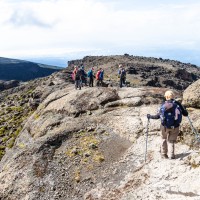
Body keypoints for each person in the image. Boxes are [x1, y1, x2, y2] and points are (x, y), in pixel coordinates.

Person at [147, 90, 188, 159]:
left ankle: (164, 154)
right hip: (175, 126)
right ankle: (171, 155)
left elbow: (157, 116)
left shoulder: (163, 104)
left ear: (166, 97)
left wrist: (149, 116)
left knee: (163, 139)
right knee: (171, 140)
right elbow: (185, 114)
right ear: (173, 96)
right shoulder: (178, 104)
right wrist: (185, 111)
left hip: (164, 126)